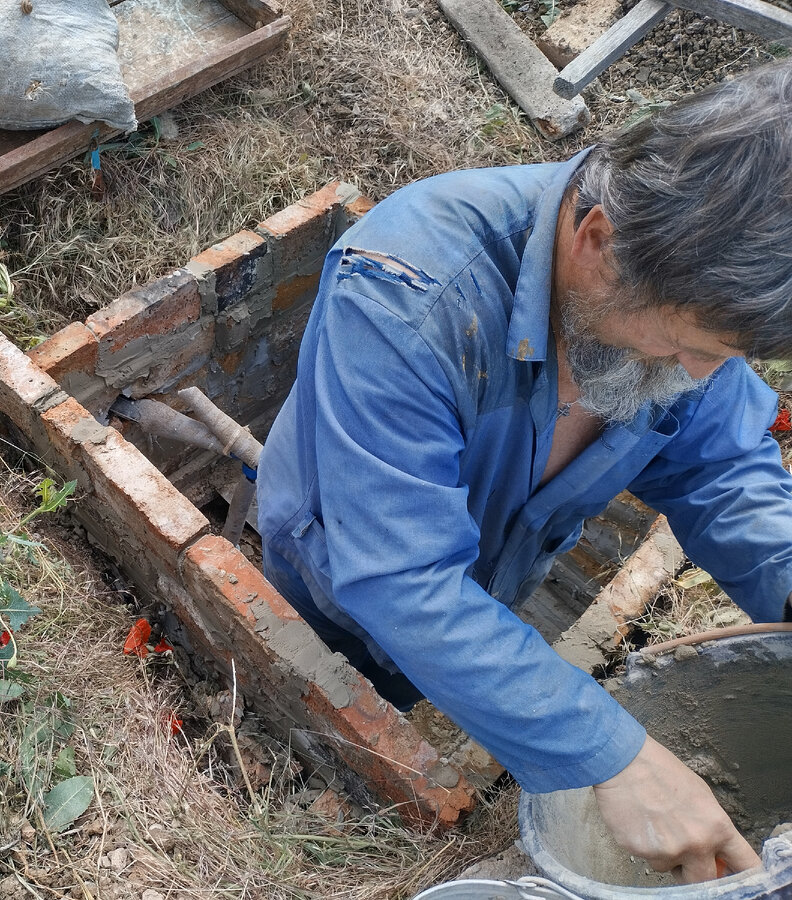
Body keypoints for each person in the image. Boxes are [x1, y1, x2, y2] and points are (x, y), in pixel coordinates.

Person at [257, 59, 792, 883]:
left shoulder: (672, 312)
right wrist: (614, 755)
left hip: (492, 566)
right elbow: (403, 581)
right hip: (333, 578)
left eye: (724, 358)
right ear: (598, 240)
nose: (697, 375)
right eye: (690, 348)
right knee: (321, 697)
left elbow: (721, 466)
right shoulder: (406, 295)